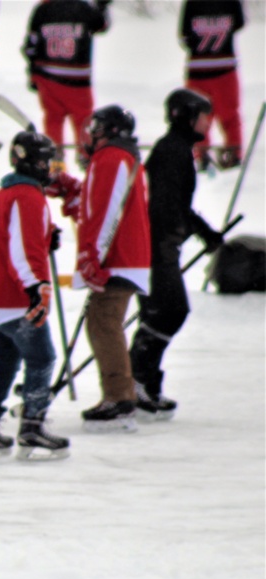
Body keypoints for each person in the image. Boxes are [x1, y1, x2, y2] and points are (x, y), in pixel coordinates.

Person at [0, 131, 69, 460]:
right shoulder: (27, 196)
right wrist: (36, 288)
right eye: (44, 161)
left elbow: (11, 239)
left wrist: (44, 236)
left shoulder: (1, 196)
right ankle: (32, 427)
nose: (50, 168)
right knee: (42, 357)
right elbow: (21, 250)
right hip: (12, 297)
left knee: (7, 359)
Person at [129, 89, 224, 422]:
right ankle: (136, 382)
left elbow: (177, 206)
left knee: (164, 311)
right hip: (154, 246)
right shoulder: (172, 151)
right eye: (203, 115)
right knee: (168, 310)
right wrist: (191, 233)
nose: (209, 121)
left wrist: (203, 232)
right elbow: (165, 205)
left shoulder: (178, 149)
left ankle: (144, 384)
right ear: (186, 116)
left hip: (161, 245)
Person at [73, 104, 151, 433]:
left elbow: (108, 210)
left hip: (118, 257)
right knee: (102, 323)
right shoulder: (114, 158)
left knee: (104, 324)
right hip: (118, 255)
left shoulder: (112, 158)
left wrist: (93, 256)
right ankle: (119, 393)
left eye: (98, 127)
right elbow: (95, 203)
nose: (92, 133)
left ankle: (120, 397)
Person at [22, 0, 110, 167]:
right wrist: (102, 7)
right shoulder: (84, 8)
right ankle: (86, 157)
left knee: (53, 118)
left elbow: (30, 46)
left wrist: (32, 72)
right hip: (77, 78)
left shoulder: (42, 9)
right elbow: (102, 25)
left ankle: (55, 159)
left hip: (47, 75)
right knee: (83, 119)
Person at [180, 0, 246, 170]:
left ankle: (205, 155)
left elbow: (184, 35)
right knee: (227, 114)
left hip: (201, 68)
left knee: (200, 115)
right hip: (222, 67)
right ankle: (231, 154)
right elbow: (239, 23)